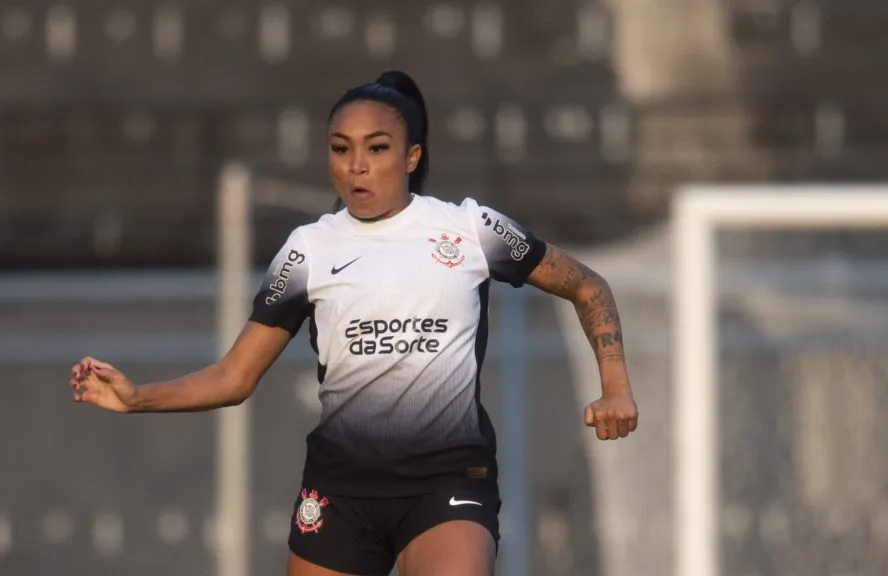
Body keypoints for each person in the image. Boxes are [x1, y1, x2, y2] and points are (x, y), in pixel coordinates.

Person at [69, 70, 639, 576]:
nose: (357, 165)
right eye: (341, 149)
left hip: (446, 483)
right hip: (341, 492)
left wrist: (615, 385)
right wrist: (138, 397)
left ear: (411, 157)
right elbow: (234, 377)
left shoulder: (470, 229)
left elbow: (587, 285)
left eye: (377, 147)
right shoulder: (308, 250)